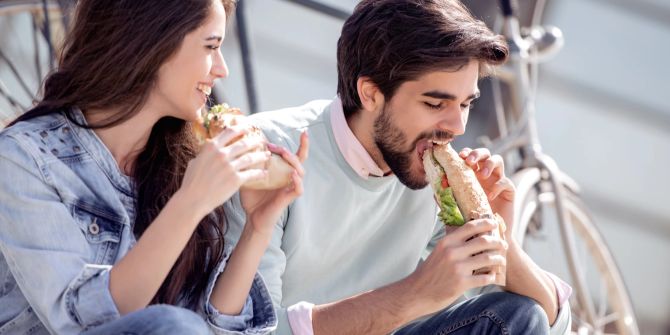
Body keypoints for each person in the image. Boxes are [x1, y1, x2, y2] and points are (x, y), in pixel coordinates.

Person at [223, 0, 572, 334]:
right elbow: (246, 330)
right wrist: (415, 293)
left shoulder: (433, 181)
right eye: (436, 103)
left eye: (465, 104)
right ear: (370, 94)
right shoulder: (266, 153)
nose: (458, 127)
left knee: (518, 315)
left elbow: (550, 324)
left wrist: (499, 240)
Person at [0, 0, 308, 334]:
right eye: (211, 47)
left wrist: (256, 228)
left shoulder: (179, 165)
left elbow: (211, 328)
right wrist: (191, 201)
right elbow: (84, 322)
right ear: (152, 43)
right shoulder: (22, 158)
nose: (222, 69)